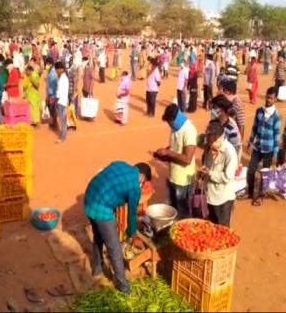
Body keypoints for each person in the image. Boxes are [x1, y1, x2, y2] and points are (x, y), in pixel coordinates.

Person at [84, 161, 152, 293]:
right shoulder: (134, 188)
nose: (142, 185)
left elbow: (110, 182)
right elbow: (131, 214)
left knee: (98, 235)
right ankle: (124, 287)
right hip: (100, 207)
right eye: (143, 182)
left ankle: (97, 269)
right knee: (114, 247)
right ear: (142, 177)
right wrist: (133, 236)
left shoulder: (120, 164)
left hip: (89, 195)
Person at [155, 104, 197, 219]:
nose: (169, 126)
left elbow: (187, 159)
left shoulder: (189, 131)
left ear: (175, 119)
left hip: (183, 181)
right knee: (171, 209)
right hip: (172, 176)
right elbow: (175, 147)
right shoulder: (175, 128)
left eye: (170, 123)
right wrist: (164, 152)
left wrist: (168, 153)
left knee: (182, 212)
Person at [246, 87, 281, 206]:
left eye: (271, 98)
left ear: (275, 99)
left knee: (264, 175)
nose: (269, 100)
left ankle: (260, 196)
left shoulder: (276, 116)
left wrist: (275, 154)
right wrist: (250, 142)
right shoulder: (259, 111)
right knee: (251, 170)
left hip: (269, 149)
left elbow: (276, 136)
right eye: (267, 97)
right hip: (257, 146)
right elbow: (254, 128)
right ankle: (250, 192)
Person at [200, 121, 238, 227]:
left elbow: (227, 177)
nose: (212, 144)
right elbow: (207, 165)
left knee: (222, 228)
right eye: (210, 141)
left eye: (214, 141)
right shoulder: (209, 147)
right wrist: (203, 173)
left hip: (223, 198)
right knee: (212, 225)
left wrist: (210, 173)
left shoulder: (229, 153)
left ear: (222, 137)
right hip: (210, 196)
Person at [211, 95, 242, 161]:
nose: (212, 110)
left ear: (222, 110)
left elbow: (235, 153)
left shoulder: (232, 131)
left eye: (215, 108)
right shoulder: (212, 123)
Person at [55, 61, 69, 143]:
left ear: (60, 69)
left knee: (62, 119)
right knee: (63, 119)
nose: (56, 72)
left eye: (57, 70)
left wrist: (55, 100)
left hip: (60, 101)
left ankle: (62, 137)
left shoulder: (62, 79)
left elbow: (59, 92)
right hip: (63, 100)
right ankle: (63, 135)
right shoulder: (64, 78)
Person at [46, 58, 58, 129]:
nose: (46, 65)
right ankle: (53, 123)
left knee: (52, 110)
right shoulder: (50, 72)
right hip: (52, 94)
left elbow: (52, 86)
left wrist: (48, 96)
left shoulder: (52, 74)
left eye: (47, 64)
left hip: (52, 95)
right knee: (52, 109)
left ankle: (54, 124)